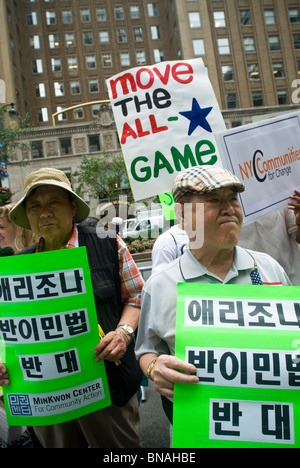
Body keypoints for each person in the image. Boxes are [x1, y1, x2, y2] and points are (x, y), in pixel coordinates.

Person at [0, 168, 144, 448]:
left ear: (72, 207)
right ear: (27, 216)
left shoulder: (107, 243)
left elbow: (137, 296)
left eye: (54, 201)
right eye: (35, 205)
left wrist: (123, 332)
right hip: (45, 397)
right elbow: (8, 328)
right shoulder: (17, 266)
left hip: (106, 385)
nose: (44, 212)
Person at [135, 165, 291, 422]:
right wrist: (154, 368)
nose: (229, 208)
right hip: (198, 429)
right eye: (213, 200)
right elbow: (145, 350)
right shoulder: (159, 285)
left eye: (232, 198)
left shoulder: (268, 269)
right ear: (183, 216)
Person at [238, 191, 300, 285]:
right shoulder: (223, 196)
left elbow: (297, 236)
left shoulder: (280, 188)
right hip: (241, 283)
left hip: (286, 282)